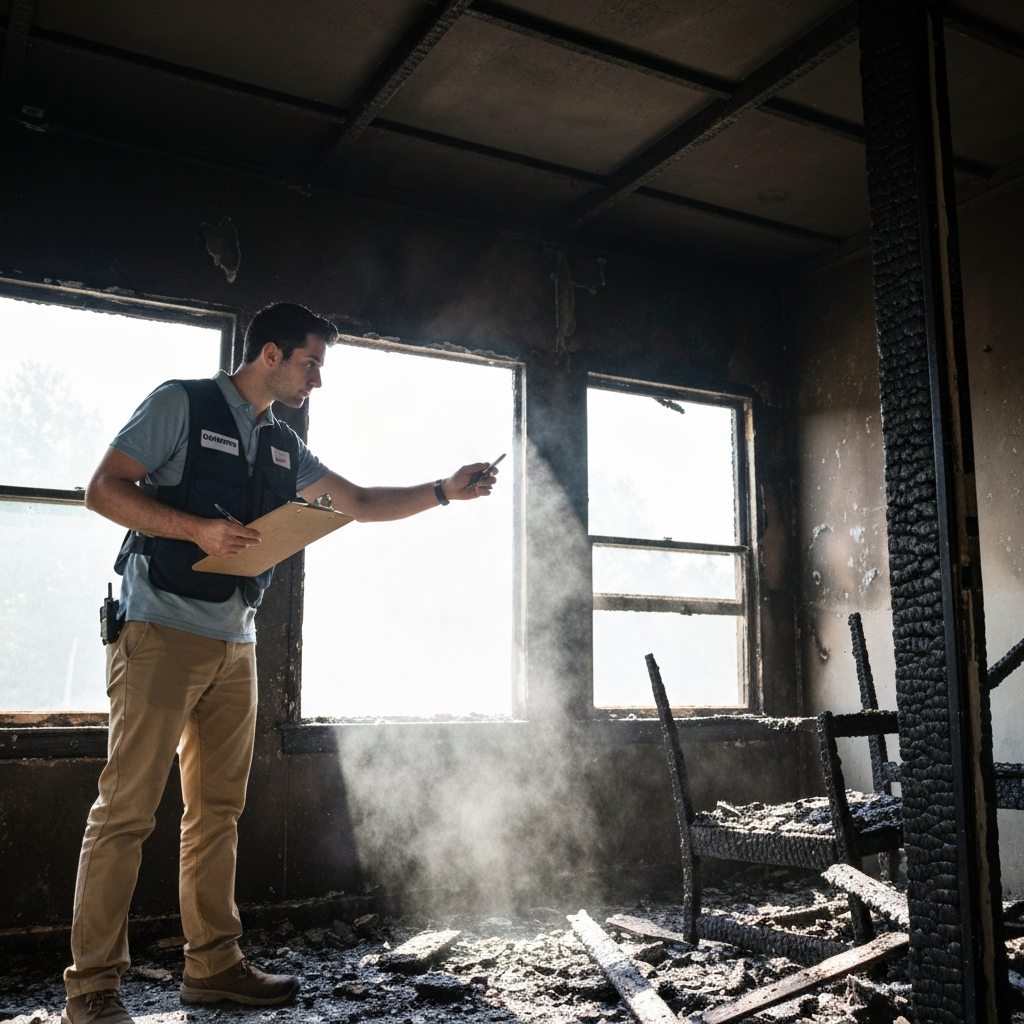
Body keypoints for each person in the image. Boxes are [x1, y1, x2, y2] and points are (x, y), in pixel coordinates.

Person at [62, 303, 498, 1024]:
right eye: (311, 363)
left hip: (236, 641)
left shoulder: (283, 442)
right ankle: (93, 991)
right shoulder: (181, 402)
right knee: (126, 814)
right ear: (270, 354)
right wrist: (197, 526)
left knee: (218, 813)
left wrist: (444, 492)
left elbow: (354, 501)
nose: (317, 380)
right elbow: (103, 489)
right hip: (159, 630)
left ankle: (214, 968)